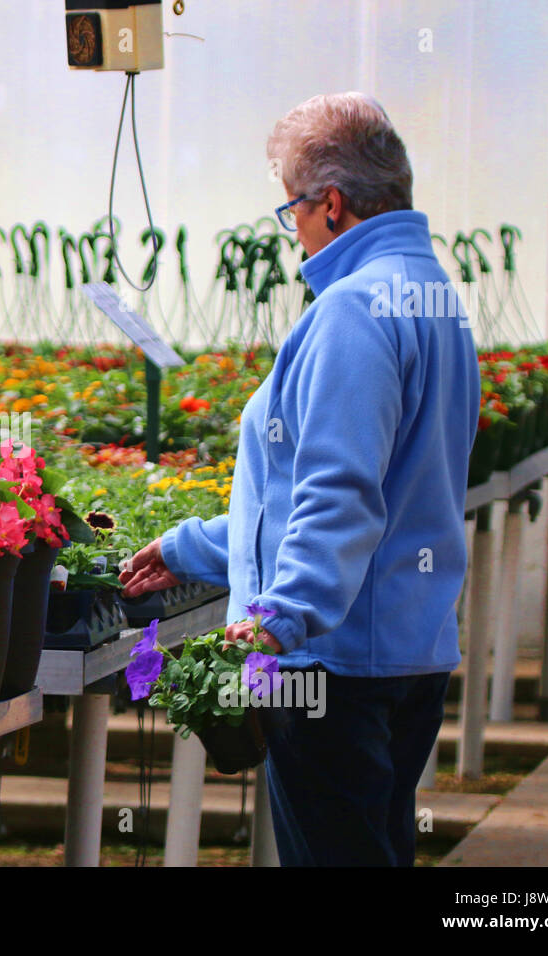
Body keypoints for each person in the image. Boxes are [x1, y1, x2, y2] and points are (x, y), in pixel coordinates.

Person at [119, 92, 481, 866]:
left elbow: (340, 493)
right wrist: (190, 548)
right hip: (409, 650)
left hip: (334, 662)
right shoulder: (434, 299)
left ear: (333, 204)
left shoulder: (353, 310)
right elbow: (370, 490)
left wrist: (282, 619)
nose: (295, 237)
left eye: (292, 212)